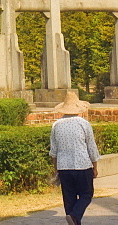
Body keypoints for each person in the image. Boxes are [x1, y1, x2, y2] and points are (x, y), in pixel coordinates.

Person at [49, 91, 101, 225]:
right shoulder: (83, 124)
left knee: (69, 198)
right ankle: (75, 216)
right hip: (82, 165)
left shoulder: (56, 125)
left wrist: (56, 169)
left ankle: (72, 218)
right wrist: (95, 167)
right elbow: (91, 147)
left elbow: (54, 151)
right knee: (86, 194)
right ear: (78, 108)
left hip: (64, 167)